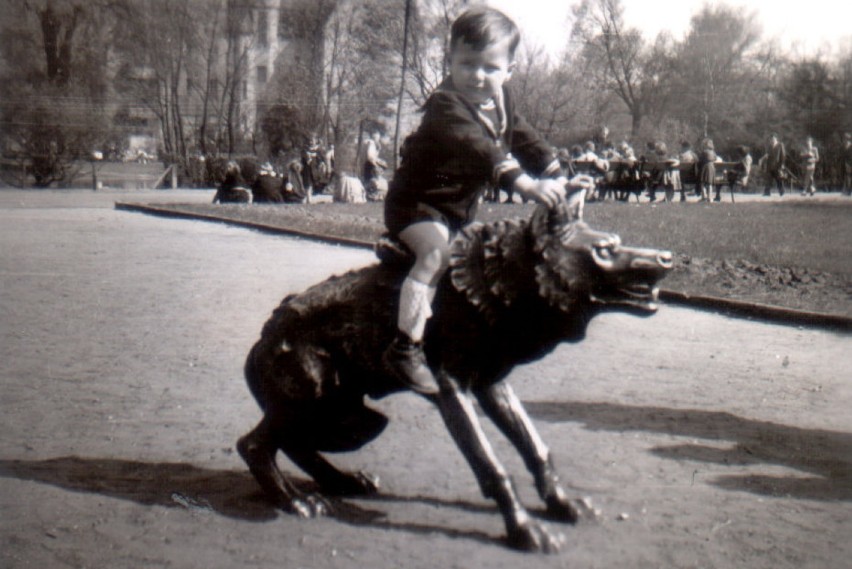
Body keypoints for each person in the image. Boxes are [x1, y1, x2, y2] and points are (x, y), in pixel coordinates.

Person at [382, 6, 586, 395]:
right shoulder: (447, 104)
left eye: (490, 67)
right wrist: (525, 185)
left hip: (456, 208)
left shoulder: (503, 100)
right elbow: (478, 147)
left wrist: (557, 173)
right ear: (450, 62)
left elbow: (524, 138)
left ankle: (455, 330)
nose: (477, 76)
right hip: (418, 204)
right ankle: (404, 348)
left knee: (485, 260)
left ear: (509, 69)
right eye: (467, 63)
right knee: (435, 257)